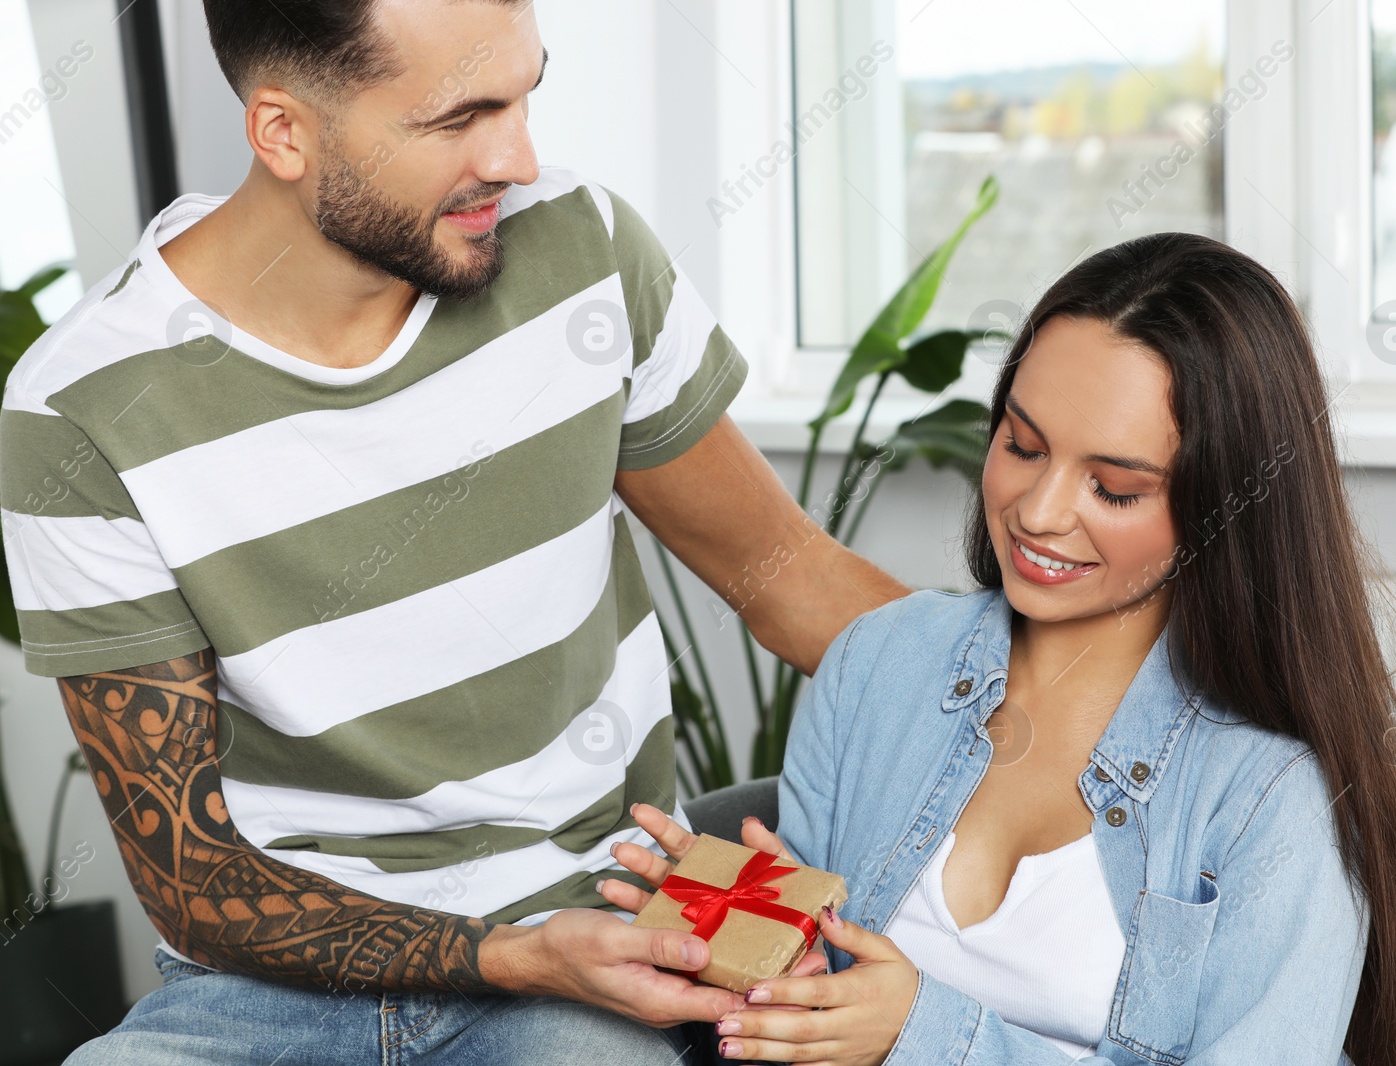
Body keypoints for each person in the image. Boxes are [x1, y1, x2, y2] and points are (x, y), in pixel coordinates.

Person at [0, 1, 905, 1062]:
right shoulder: (81, 409)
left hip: (592, 953)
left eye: (526, 97)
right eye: (457, 118)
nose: (517, 157)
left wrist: (1099, 692)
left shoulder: (584, 256)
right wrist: (505, 953)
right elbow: (192, 877)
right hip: (263, 992)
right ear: (283, 132)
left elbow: (790, 577)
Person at [612, 233, 1396, 1065]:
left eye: (1114, 488)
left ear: (1224, 505)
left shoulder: (1271, 797)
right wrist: (760, 951)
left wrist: (926, 1035)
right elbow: (814, 1003)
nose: (1038, 512)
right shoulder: (878, 664)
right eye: (1022, 445)